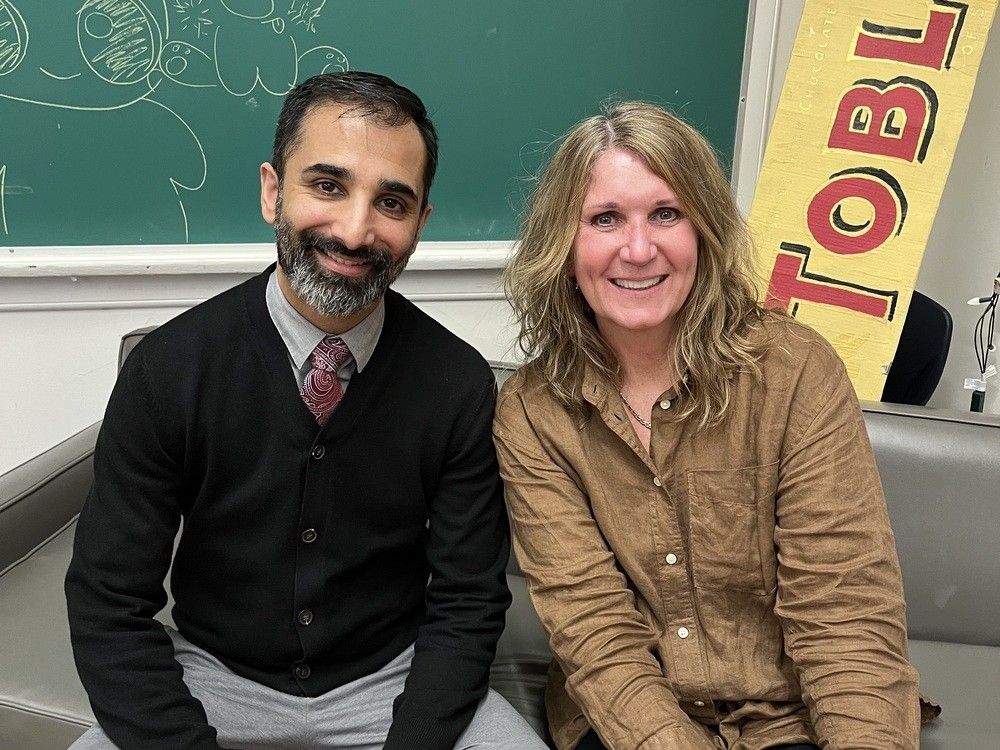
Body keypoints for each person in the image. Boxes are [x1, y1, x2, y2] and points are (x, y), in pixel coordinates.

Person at [65, 71, 546, 750]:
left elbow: (468, 600)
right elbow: (107, 603)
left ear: (420, 224)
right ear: (273, 191)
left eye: (392, 202)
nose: (355, 229)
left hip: (394, 680)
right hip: (213, 677)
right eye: (327, 185)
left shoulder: (458, 384)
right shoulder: (168, 371)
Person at [494, 101, 923, 750]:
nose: (638, 250)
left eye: (666, 214)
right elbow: (596, 634)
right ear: (564, 243)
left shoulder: (795, 373)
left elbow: (844, 614)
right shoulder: (532, 412)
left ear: (704, 228)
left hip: (788, 716)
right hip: (628, 720)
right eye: (605, 219)